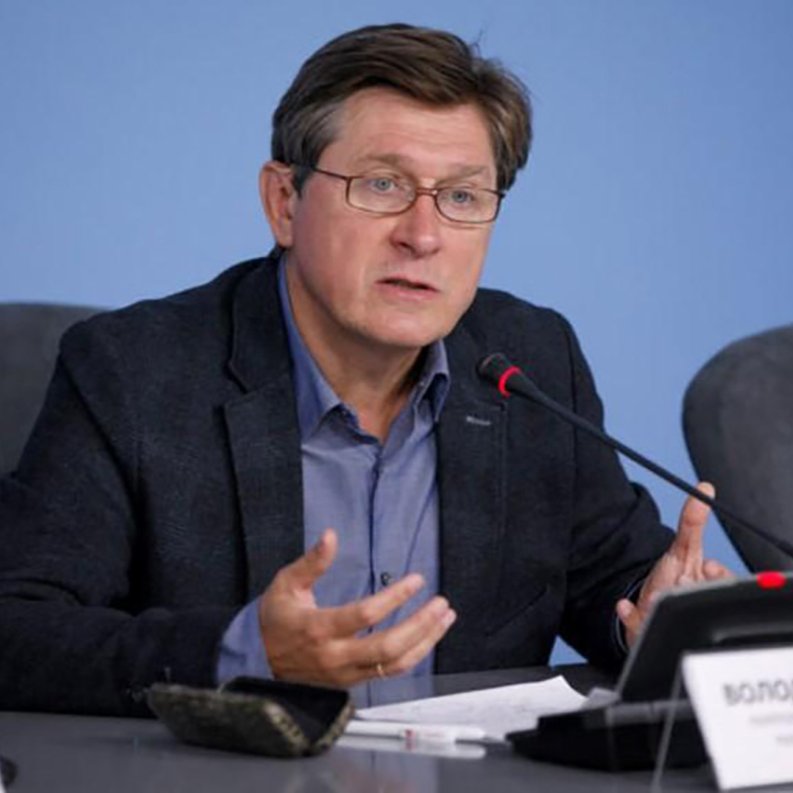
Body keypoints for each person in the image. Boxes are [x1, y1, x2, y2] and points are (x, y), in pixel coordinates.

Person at [0, 23, 729, 717]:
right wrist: (245, 653)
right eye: (382, 185)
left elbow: (608, 576)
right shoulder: (134, 371)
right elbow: (17, 628)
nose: (423, 236)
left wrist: (651, 612)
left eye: (462, 196)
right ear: (284, 202)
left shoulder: (529, 359)